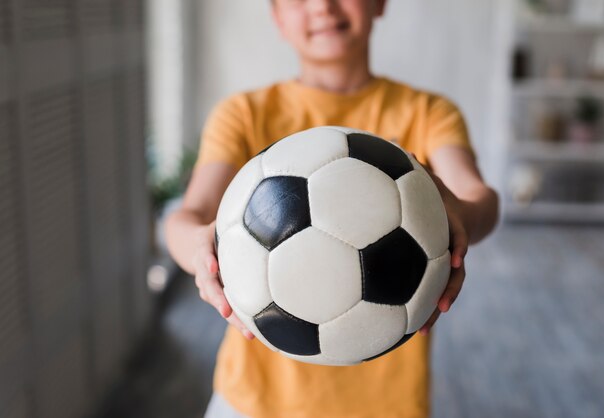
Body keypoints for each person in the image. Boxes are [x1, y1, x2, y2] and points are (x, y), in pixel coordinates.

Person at [165, 0, 499, 417]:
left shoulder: (428, 113)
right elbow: (186, 217)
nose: (323, 6)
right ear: (277, 16)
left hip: (385, 406)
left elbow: (481, 198)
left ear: (379, 4)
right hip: (253, 400)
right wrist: (197, 247)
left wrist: (462, 217)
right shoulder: (244, 114)